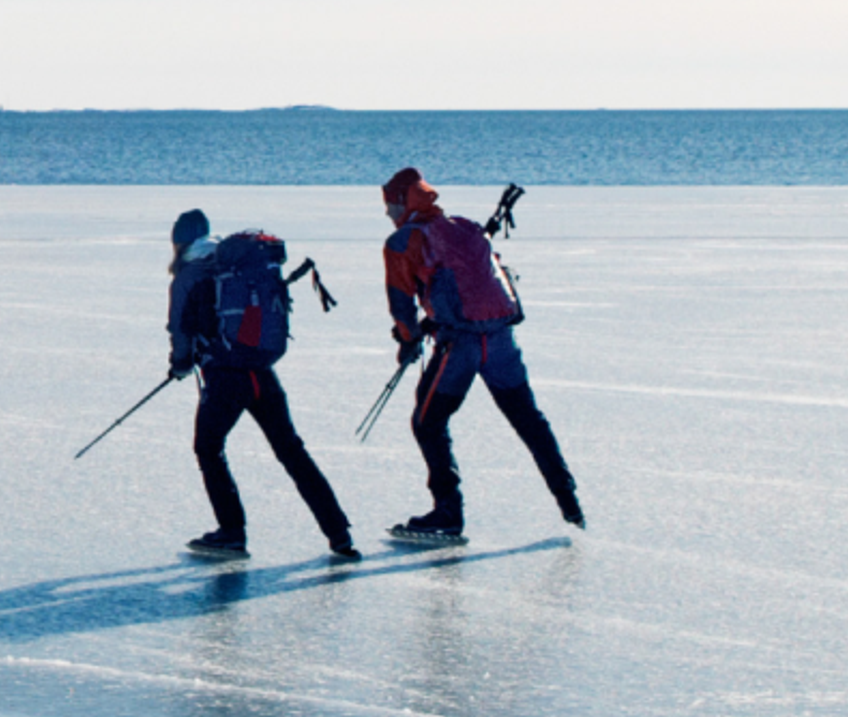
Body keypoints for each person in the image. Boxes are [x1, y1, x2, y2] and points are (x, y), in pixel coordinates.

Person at [381, 168, 584, 537]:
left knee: (427, 424)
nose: (387, 215)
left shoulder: (403, 241)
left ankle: (448, 514)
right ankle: (568, 500)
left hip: (460, 347)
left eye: (389, 206)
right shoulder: (464, 227)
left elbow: (400, 305)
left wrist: (408, 341)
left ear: (401, 203)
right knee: (528, 420)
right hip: (501, 340)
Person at [166, 209, 361, 562]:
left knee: (208, 448)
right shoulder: (236, 263)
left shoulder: (190, 273)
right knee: (291, 450)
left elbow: (180, 330)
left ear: (179, 241)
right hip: (261, 371)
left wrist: (180, 364)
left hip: (226, 374)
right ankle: (338, 532)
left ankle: (231, 532)